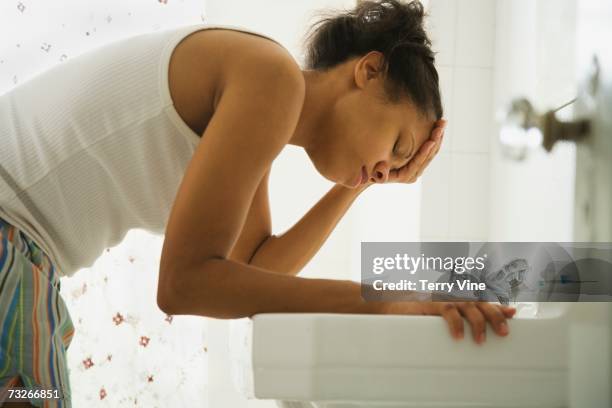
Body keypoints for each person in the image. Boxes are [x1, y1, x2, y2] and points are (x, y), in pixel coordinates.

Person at [0, 1, 516, 406]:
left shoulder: (262, 105)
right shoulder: (270, 79)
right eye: (398, 147)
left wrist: (361, 183)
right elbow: (185, 285)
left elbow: (255, 271)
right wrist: (388, 299)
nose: (391, 168)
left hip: (24, 253)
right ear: (369, 71)